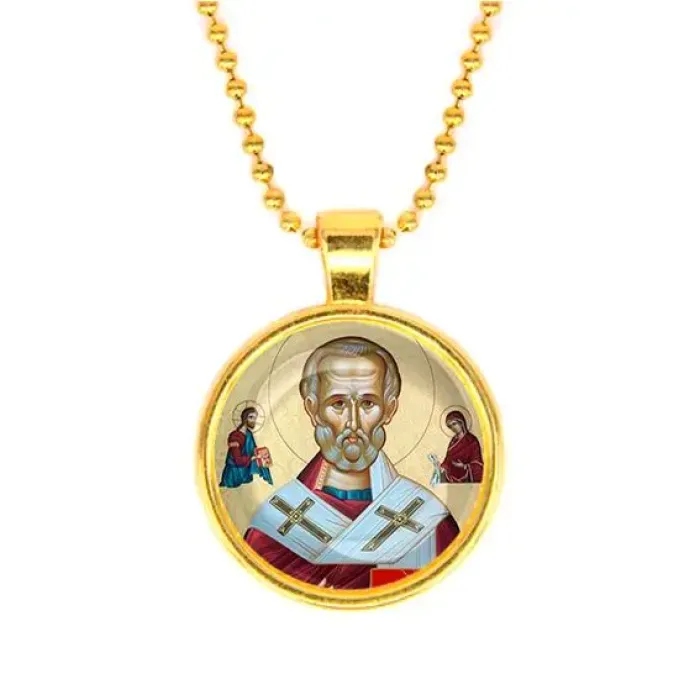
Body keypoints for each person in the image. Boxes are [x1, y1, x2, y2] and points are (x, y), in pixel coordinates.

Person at [244, 337, 459, 589]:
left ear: (389, 409)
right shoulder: (275, 521)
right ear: (313, 409)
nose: (353, 422)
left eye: (368, 403)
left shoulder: (427, 519)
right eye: (338, 404)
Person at [220, 407, 272, 488]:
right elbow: (238, 460)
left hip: (245, 474)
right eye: (251, 417)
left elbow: (253, 450)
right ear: (245, 418)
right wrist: (254, 457)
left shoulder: (248, 434)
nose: (253, 420)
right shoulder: (235, 436)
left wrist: (263, 453)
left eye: (255, 418)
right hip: (234, 476)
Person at [440, 410, 484, 483]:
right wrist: (442, 466)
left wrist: (464, 466)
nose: (453, 428)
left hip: (466, 475)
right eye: (450, 426)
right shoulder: (453, 441)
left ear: (461, 423)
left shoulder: (472, 440)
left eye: (454, 424)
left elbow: (477, 463)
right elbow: (448, 458)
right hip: (450, 475)